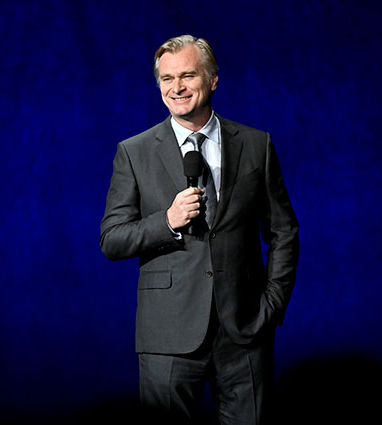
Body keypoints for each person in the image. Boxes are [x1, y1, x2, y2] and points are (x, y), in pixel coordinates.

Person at [99, 35, 299, 424]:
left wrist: (271, 305)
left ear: (213, 80)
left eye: (187, 75)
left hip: (244, 332)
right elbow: (112, 239)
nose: (177, 87)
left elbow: (284, 232)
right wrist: (167, 221)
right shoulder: (134, 152)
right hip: (167, 335)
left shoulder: (256, 144)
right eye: (167, 78)